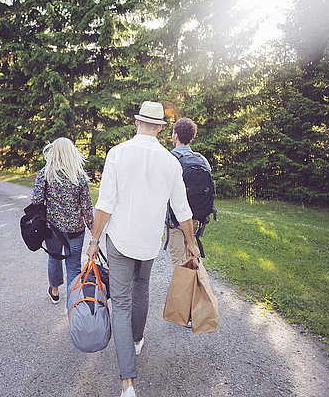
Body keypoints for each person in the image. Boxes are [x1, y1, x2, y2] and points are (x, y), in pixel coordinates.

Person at [86, 102, 200, 397]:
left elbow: (106, 203)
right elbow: (182, 209)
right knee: (141, 289)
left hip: (121, 239)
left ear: (137, 122)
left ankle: (128, 384)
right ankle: (136, 340)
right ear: (161, 127)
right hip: (149, 242)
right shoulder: (170, 162)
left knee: (121, 303)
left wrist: (95, 239)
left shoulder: (118, 154)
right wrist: (190, 242)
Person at [31, 138, 94, 304]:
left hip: (52, 229)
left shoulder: (45, 174)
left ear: (53, 152)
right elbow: (87, 207)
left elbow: (36, 200)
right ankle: (73, 304)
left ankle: (55, 291)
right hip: (76, 230)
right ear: (72, 153)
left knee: (55, 258)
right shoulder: (79, 177)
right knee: (74, 266)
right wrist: (94, 229)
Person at [168, 117, 212, 264]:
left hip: (176, 221)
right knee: (191, 258)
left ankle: (184, 287)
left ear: (176, 135)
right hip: (196, 218)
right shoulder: (202, 159)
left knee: (179, 264)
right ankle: (194, 286)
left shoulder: (170, 159)